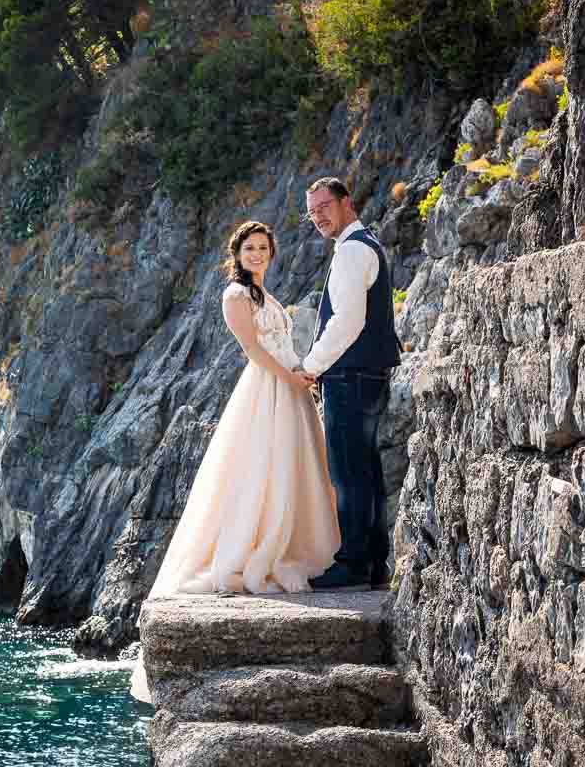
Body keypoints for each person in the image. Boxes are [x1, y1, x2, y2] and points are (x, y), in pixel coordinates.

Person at [130, 220, 340, 703]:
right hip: (269, 389)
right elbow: (252, 352)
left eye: (264, 248)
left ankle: (296, 542)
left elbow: (282, 346)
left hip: (291, 386)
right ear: (237, 253)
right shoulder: (235, 297)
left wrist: (300, 378)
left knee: (299, 469)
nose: (258, 254)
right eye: (250, 248)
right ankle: (257, 546)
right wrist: (292, 380)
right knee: (260, 470)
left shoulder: (268, 293)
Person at [298, 178, 402, 591]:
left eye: (324, 206)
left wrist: (311, 365)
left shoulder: (353, 251)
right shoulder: (365, 245)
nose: (319, 216)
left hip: (350, 376)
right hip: (368, 375)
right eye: (312, 212)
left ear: (347, 203)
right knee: (366, 471)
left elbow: (347, 322)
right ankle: (375, 563)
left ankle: (354, 563)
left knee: (348, 474)